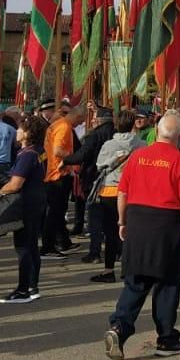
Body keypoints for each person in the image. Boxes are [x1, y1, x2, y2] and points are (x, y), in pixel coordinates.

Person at [103, 113, 180, 360]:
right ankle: (166, 338)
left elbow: (122, 193)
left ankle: (119, 327)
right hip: (166, 224)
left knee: (135, 282)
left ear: (156, 132)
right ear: (179, 137)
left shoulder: (137, 157)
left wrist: (122, 221)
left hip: (137, 220)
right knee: (167, 284)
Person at [0, 116, 49, 303]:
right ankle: (33, 285)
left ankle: (23, 289)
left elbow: (15, 184)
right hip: (38, 200)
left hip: (26, 203)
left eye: (20, 129)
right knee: (32, 245)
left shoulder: (27, 154)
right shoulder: (38, 151)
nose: (17, 132)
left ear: (27, 133)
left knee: (24, 247)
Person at [90, 111, 141, 283]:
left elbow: (100, 165)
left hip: (111, 190)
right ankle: (129, 268)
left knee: (111, 232)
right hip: (133, 190)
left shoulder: (109, 145)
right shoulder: (141, 145)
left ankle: (109, 269)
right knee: (131, 230)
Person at [65, 107, 115, 265]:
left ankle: (95, 252)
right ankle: (117, 251)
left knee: (95, 217)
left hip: (94, 179)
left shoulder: (95, 135)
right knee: (113, 219)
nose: (92, 120)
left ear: (99, 120)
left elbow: (83, 154)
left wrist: (65, 160)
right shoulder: (116, 134)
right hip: (114, 182)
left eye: (94, 117)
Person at [41, 104, 83, 259]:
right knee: (54, 212)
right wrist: (73, 159)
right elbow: (58, 150)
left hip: (53, 172)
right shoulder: (65, 127)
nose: (80, 124)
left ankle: (62, 241)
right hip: (57, 174)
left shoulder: (56, 125)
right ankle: (48, 247)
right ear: (77, 117)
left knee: (56, 212)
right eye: (81, 120)